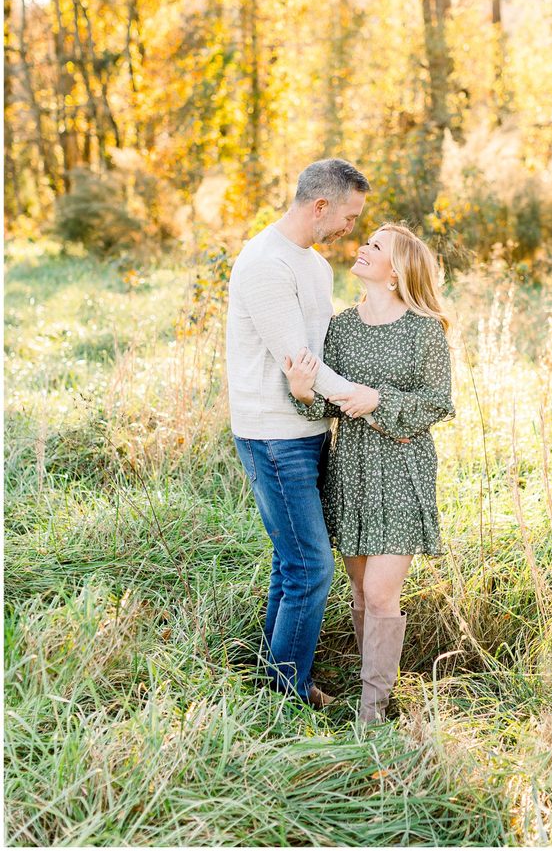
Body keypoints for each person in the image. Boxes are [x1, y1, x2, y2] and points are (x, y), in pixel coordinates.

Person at [284, 223, 455, 723]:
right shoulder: (341, 328)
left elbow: (438, 402)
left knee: (381, 591)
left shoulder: (425, 329)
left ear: (397, 270)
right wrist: (301, 392)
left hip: (402, 469)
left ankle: (373, 711)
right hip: (351, 466)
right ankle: (370, 687)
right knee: (359, 590)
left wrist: (379, 400)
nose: (362, 248)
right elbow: (327, 408)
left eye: (375, 246)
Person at [226, 158, 378, 708]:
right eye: (350, 216)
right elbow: (301, 362)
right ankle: (286, 694)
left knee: (291, 561)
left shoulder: (313, 265)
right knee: (312, 565)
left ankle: (270, 674)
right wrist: (366, 400)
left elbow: (324, 348)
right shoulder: (265, 263)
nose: (352, 230)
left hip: (309, 427)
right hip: (272, 433)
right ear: (321, 207)